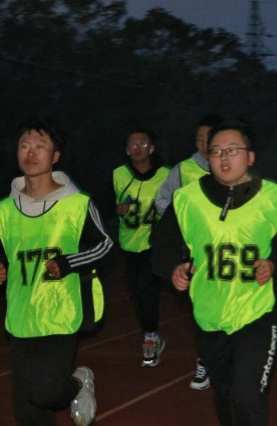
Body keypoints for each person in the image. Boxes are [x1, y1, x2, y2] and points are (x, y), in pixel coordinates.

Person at [158, 119, 277, 426]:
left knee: (248, 395)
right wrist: (174, 267)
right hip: (209, 314)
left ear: (250, 156)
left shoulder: (274, 197)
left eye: (232, 150)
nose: (224, 157)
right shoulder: (187, 199)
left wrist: (273, 263)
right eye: (216, 151)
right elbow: (162, 244)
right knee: (224, 395)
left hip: (257, 310)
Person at [0, 119, 113, 426]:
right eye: (24, 146)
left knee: (46, 393)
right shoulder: (2, 211)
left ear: (55, 156)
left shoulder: (77, 204)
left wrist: (68, 263)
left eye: (40, 146)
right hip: (20, 316)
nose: (31, 152)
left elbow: (104, 244)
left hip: (61, 313)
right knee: (27, 411)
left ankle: (79, 383)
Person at [152, 113, 222, 389]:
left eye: (210, 139)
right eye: (199, 139)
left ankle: (227, 358)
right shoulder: (183, 169)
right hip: (195, 254)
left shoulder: (230, 167)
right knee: (201, 308)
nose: (205, 145)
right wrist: (180, 228)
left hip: (227, 253)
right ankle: (205, 360)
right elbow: (162, 200)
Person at [113, 127, 170, 367]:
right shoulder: (118, 174)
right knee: (136, 292)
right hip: (128, 245)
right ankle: (151, 331)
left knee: (148, 290)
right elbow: (101, 203)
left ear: (152, 148)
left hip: (153, 244)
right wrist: (115, 209)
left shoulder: (166, 175)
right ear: (127, 150)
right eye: (133, 144)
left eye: (142, 143)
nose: (138, 148)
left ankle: (150, 336)